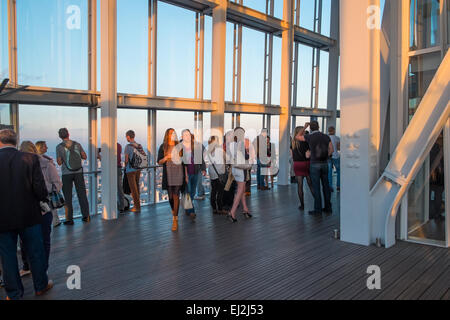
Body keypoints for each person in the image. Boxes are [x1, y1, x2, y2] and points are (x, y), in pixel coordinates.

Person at [0, 129, 53, 300]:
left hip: (3, 217)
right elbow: (40, 189)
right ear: (16, 141)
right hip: (29, 214)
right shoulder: (30, 159)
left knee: (7, 256)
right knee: (35, 251)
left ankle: (14, 293)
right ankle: (40, 286)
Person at [18, 141, 61, 277]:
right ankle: (40, 269)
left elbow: (56, 184)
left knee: (29, 239)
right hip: (43, 207)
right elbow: (57, 184)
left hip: (32, 207)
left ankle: (35, 268)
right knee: (43, 239)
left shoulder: (42, 164)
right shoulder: (47, 164)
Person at [297, 121, 333, 215]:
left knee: (316, 187)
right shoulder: (326, 136)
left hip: (314, 164)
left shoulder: (310, 137)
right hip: (325, 163)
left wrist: (304, 127)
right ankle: (328, 207)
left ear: (311, 128)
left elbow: (297, 137)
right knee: (326, 186)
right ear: (319, 127)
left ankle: (318, 210)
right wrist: (326, 156)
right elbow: (331, 149)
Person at [56, 128, 90, 224]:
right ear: (68, 134)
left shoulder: (59, 147)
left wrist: (63, 158)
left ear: (60, 136)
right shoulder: (77, 144)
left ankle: (69, 219)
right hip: (79, 172)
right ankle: (86, 216)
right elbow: (84, 156)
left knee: (67, 196)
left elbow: (59, 162)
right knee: (82, 194)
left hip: (67, 174)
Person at [158, 128, 185, 231]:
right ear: (167, 135)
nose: (172, 134)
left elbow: (184, 161)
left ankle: (175, 219)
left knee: (176, 195)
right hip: (168, 173)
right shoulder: (163, 146)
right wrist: (166, 158)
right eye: (170, 133)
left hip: (178, 172)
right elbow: (159, 161)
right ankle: (174, 211)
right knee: (170, 196)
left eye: (174, 132)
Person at [227, 127, 255, 222]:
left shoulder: (231, 144)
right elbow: (246, 156)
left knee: (241, 189)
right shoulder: (241, 143)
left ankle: (245, 209)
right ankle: (233, 212)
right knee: (240, 191)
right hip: (241, 169)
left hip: (234, 169)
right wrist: (247, 151)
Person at [181, 129, 206, 220]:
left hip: (195, 171)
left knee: (192, 192)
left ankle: (187, 208)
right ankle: (191, 211)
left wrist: (203, 169)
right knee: (188, 191)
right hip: (185, 173)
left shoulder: (195, 146)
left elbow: (201, 158)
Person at [36, 141, 61, 227]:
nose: (47, 148)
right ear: (41, 148)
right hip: (48, 187)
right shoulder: (47, 162)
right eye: (45, 146)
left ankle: (53, 221)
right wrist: (56, 187)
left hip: (41, 188)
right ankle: (55, 221)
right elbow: (55, 177)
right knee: (51, 206)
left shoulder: (34, 161)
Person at [97, 143, 126, 213]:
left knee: (109, 188)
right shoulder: (119, 145)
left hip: (110, 168)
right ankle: (121, 206)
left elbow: (106, 158)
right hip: (118, 168)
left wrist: (99, 155)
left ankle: (110, 206)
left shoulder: (108, 146)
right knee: (119, 188)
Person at [292, 126, 314, 211]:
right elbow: (308, 155)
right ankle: (317, 202)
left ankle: (302, 205)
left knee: (300, 186)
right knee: (310, 184)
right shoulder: (306, 142)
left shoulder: (293, 142)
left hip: (297, 164)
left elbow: (292, 155)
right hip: (306, 163)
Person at [205, 136, 226, 215]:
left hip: (212, 173)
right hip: (220, 173)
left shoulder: (207, 151)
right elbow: (226, 158)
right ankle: (220, 209)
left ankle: (214, 208)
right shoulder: (220, 150)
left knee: (213, 191)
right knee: (220, 192)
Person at [124, 130, 143, 213]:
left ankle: (137, 207)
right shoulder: (139, 145)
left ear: (128, 137)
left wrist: (125, 165)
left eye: (126, 137)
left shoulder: (128, 147)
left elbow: (126, 159)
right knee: (137, 188)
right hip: (138, 169)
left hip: (130, 170)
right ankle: (137, 205)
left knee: (133, 189)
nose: (126, 138)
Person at [429, 134, 445, 221]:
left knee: (437, 194)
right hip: (436, 174)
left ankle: (435, 213)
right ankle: (435, 214)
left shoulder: (434, 147)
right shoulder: (436, 148)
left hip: (436, 174)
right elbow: (436, 161)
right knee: (437, 194)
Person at [327, 126, 341, 192]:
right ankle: (338, 186)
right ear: (334, 131)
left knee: (329, 172)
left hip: (328, 156)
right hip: (336, 156)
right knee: (339, 171)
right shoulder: (337, 138)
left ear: (328, 131)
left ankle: (330, 187)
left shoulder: (326, 138)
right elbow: (338, 148)